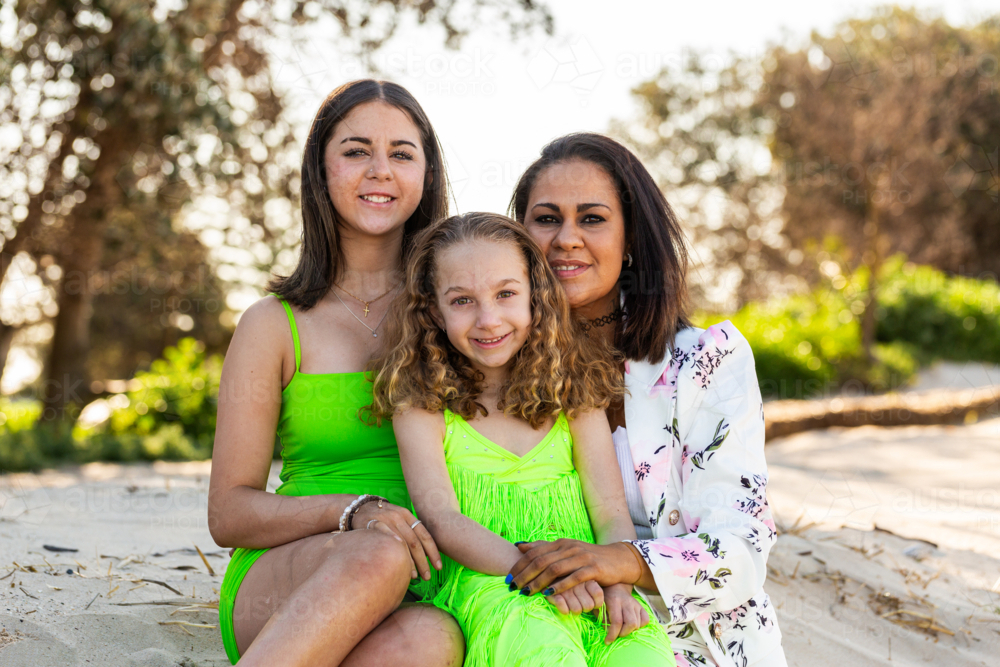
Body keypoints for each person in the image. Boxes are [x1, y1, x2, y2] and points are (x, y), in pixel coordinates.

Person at [207, 79, 464, 667]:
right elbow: (229, 514)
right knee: (376, 555)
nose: (380, 170)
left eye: (402, 153)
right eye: (355, 151)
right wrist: (355, 510)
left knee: (433, 639)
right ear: (320, 171)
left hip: (430, 580)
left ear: (426, 176)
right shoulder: (273, 324)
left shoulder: (461, 312)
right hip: (294, 576)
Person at [507, 133, 787, 667]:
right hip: (544, 626)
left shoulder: (706, 361)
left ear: (631, 235)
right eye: (546, 219)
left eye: (592, 218)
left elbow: (741, 549)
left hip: (696, 641)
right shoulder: (493, 367)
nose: (566, 238)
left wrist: (620, 562)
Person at [366, 212, 676, 667]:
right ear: (433, 309)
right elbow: (443, 519)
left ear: (536, 294)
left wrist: (618, 583)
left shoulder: (574, 391)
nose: (488, 319)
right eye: (462, 301)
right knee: (544, 655)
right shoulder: (421, 405)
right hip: (497, 586)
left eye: (506, 294)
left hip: (589, 580)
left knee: (643, 655)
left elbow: (609, 510)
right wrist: (540, 576)